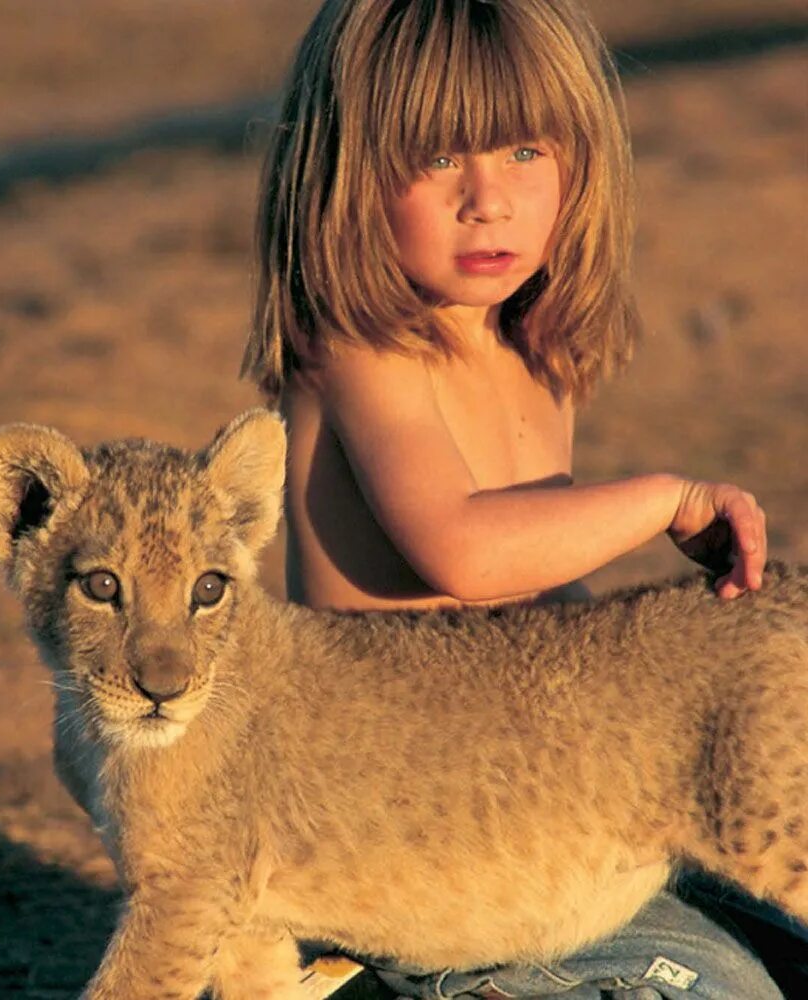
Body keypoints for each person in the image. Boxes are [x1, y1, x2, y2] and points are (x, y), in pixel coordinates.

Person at [240, 1, 803, 997]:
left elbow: (531, 624)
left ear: (581, 163)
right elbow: (466, 553)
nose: (487, 202)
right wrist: (664, 502)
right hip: (412, 853)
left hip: (524, 826)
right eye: (439, 159)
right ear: (344, 174)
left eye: (524, 151)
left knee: (770, 935)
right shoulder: (365, 353)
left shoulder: (530, 352)